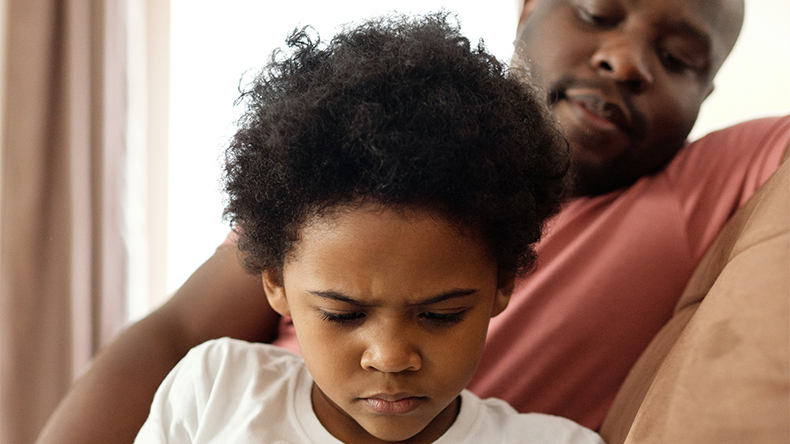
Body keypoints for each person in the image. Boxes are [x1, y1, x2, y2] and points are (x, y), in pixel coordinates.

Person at [36, 0, 790, 442]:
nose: (628, 62)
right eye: (598, 12)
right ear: (529, 7)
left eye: (680, 56)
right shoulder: (337, 174)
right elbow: (172, 336)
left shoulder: (712, 183)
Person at [132, 13, 602, 443]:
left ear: (501, 283)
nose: (391, 357)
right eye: (343, 314)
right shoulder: (218, 389)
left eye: (441, 315)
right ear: (275, 281)